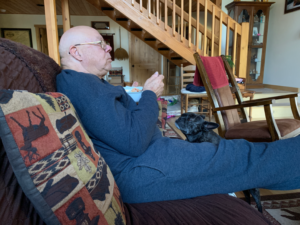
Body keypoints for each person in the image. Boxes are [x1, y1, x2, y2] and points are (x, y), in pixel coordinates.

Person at [57, 26, 300, 204]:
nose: (108, 47)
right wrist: (149, 95)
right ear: (76, 53)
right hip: (142, 170)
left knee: (240, 155)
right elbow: (132, 141)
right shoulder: (79, 83)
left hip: (149, 159)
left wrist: (134, 97)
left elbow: (118, 125)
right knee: (242, 157)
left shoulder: (84, 83)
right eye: (100, 43)